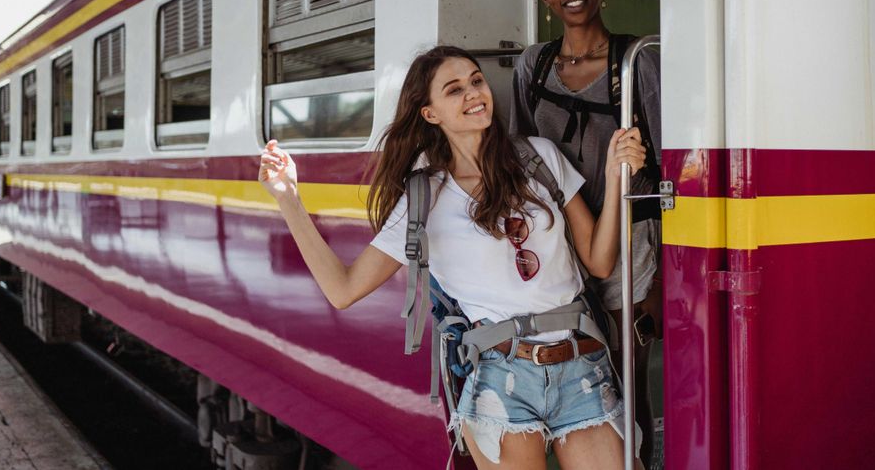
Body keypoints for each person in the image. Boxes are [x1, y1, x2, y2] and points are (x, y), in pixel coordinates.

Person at [259, 45, 646, 470]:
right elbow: (343, 290)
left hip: (581, 364)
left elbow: (600, 262)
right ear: (430, 114)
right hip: (503, 378)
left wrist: (614, 178)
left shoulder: (540, 158)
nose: (473, 93)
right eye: (454, 89)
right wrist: (289, 199)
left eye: (476, 81)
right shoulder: (424, 197)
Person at [510, 0, 663, 464]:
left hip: (625, 237)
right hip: (559, 239)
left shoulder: (636, 58)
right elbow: (522, 156)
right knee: (576, 371)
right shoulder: (533, 65)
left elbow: (667, 169)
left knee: (626, 376)